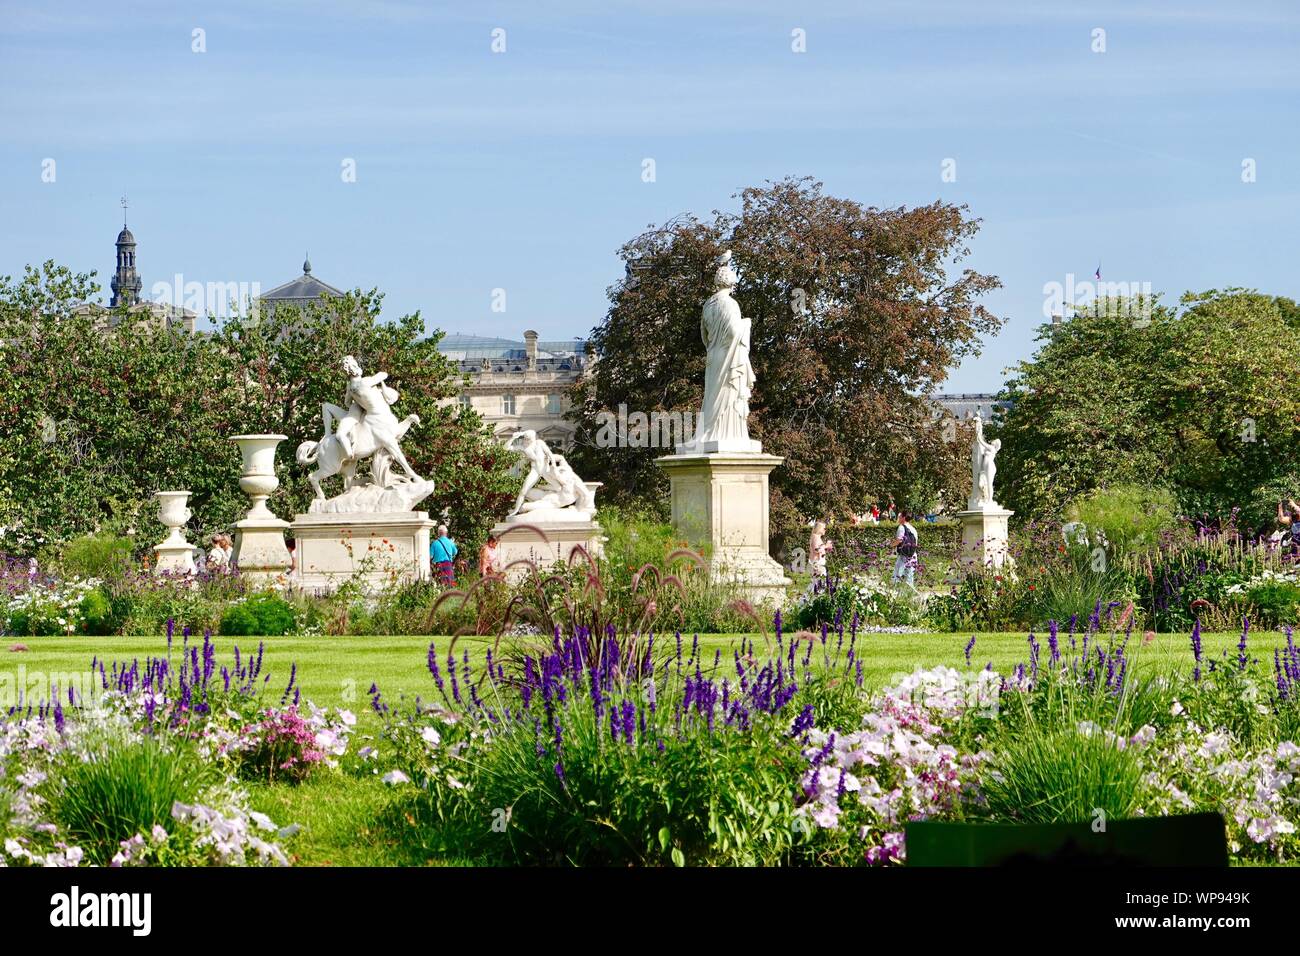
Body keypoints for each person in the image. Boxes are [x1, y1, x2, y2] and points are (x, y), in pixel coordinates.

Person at [892, 509, 919, 588]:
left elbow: (899, 539)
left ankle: (895, 596)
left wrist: (891, 545)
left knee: (896, 577)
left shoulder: (901, 527)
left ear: (903, 517)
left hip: (903, 556)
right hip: (913, 556)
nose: (899, 518)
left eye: (900, 516)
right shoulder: (913, 529)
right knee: (909, 580)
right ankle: (912, 598)